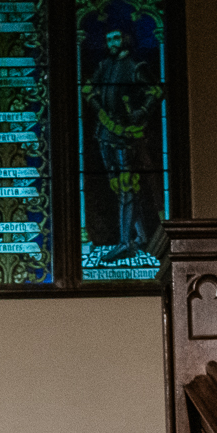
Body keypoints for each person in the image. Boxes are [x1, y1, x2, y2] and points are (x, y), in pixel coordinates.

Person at [84, 27, 162, 263]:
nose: (112, 43)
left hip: (125, 135)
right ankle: (141, 236)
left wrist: (140, 113)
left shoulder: (136, 67)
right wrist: (96, 104)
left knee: (127, 185)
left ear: (126, 40)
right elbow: (89, 89)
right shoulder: (103, 67)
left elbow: (155, 91)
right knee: (120, 187)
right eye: (108, 39)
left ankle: (125, 243)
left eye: (116, 38)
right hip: (105, 134)